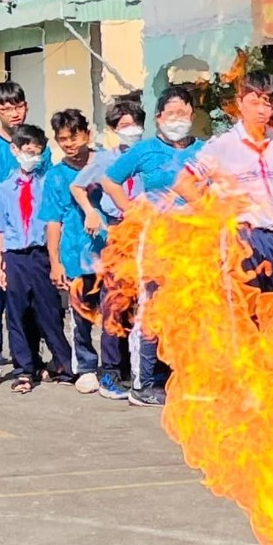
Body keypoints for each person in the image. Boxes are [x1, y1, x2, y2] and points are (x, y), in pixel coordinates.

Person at [99, 86, 205, 406]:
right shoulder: (144, 150)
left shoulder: (204, 150)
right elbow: (110, 181)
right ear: (159, 118)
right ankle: (143, 383)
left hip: (195, 241)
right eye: (171, 113)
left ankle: (187, 377)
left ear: (192, 116)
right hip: (157, 238)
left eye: (183, 113)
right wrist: (132, 209)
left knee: (191, 310)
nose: (177, 119)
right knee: (152, 308)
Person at [0, 82, 51, 385]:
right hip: (0, 230)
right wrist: (5, 202)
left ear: (26, 106)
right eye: (5, 108)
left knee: (31, 300)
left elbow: (49, 185)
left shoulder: (40, 147)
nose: (13, 113)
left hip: (35, 236)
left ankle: (32, 361)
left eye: (17, 106)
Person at [177, 71, 273, 292]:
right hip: (241, 238)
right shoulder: (222, 145)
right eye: (253, 102)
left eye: (266, 103)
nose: (261, 110)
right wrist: (213, 216)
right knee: (244, 309)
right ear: (239, 103)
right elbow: (184, 183)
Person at [0, 124, 73, 394]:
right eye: (27, 151)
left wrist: (57, 258)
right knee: (17, 313)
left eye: (37, 152)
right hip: (14, 255)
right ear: (15, 150)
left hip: (41, 254)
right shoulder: (2, 190)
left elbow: (55, 221)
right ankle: (24, 369)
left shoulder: (48, 182)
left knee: (48, 310)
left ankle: (64, 363)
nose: (32, 157)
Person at [40, 109, 111, 396]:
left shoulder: (107, 163)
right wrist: (55, 261)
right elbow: (53, 221)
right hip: (74, 255)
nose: (69, 144)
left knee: (115, 312)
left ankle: (116, 366)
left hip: (110, 253)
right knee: (81, 316)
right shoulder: (56, 176)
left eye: (74, 137)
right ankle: (86, 367)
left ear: (87, 134)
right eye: (62, 139)